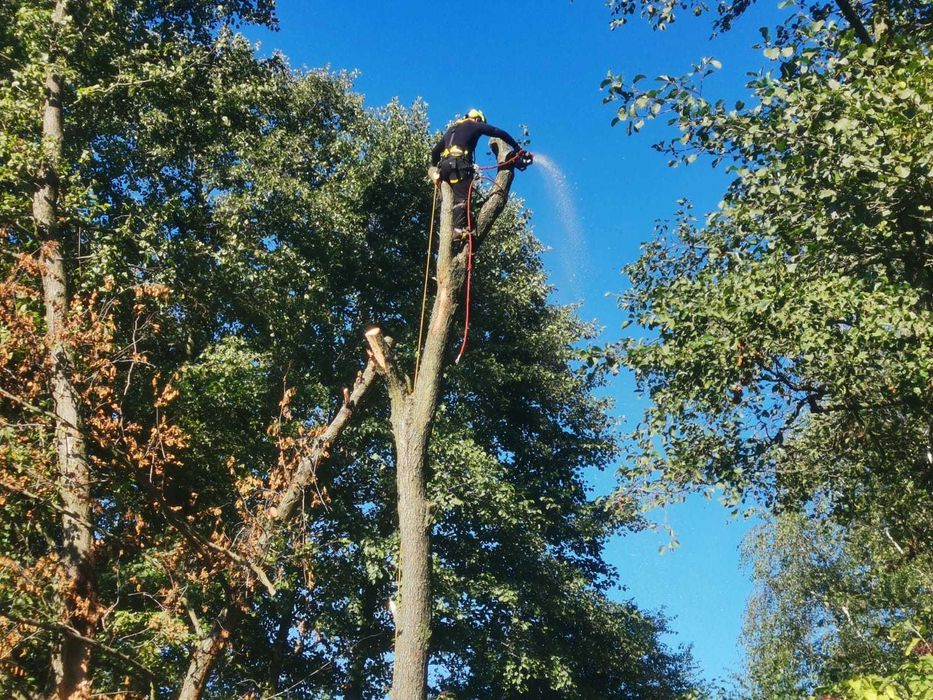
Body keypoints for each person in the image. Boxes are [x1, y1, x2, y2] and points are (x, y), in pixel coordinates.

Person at [430, 109, 522, 237]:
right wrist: (516, 147)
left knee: (452, 201)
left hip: (444, 169)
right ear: (478, 119)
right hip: (459, 166)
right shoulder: (474, 125)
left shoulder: (451, 130)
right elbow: (497, 132)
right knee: (462, 199)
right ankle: (458, 230)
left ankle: (456, 228)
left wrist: (434, 169)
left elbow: (435, 152)